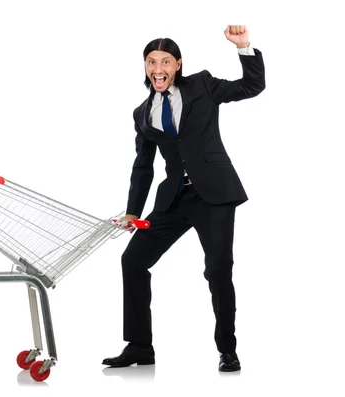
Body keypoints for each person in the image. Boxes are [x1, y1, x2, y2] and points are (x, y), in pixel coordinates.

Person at [102, 25, 265, 372]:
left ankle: (227, 350)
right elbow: (142, 166)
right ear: (145, 67)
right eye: (150, 62)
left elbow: (252, 86)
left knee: (218, 271)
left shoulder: (203, 85)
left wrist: (244, 48)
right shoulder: (141, 113)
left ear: (177, 64)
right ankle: (140, 347)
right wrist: (133, 212)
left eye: (164, 61)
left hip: (214, 195)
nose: (157, 68)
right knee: (133, 261)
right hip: (173, 199)